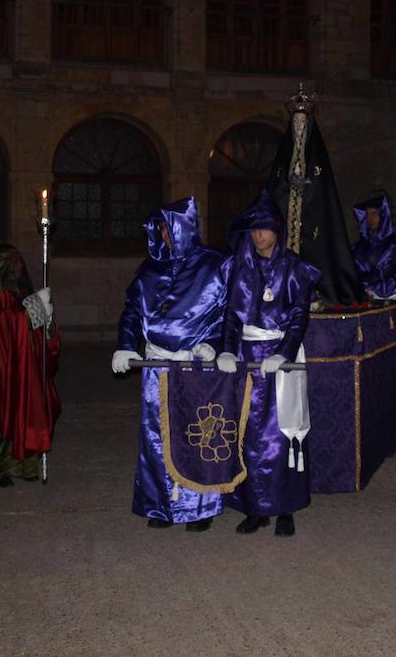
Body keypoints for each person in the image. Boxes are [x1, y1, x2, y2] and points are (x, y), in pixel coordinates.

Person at [112, 197, 229, 532]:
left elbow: (230, 312)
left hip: (195, 367)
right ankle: (161, 505)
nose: (165, 234)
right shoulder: (149, 270)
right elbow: (132, 312)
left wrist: (214, 345)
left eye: (170, 226)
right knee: (157, 434)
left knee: (199, 433)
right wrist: (125, 346)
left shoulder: (215, 265)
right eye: (161, 228)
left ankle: (200, 507)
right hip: (157, 366)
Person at [216, 190, 322, 537]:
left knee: (282, 433)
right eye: (253, 229)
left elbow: (299, 317)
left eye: (264, 228)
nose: (258, 235)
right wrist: (226, 350)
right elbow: (231, 316)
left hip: (278, 360)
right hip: (246, 358)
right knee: (246, 433)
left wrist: (283, 353)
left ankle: (285, 508)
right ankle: (255, 507)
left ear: (277, 230)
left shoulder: (294, 268)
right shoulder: (240, 266)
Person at [0, 244, 60, 487]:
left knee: (22, 409)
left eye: (19, 262)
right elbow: (5, 326)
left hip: (21, 363)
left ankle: (18, 465)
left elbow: (29, 327)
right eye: (13, 262)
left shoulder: (21, 292)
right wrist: (32, 310)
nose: (18, 267)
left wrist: (46, 320)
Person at [264, 83, 364, 308]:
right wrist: (288, 184)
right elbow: (274, 188)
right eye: (296, 122)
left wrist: (307, 186)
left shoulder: (317, 154)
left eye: (303, 122)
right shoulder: (284, 155)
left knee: (315, 252)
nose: (299, 127)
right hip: (288, 221)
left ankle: (314, 293)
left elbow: (323, 190)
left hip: (312, 220)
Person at [350, 194, 396, 301]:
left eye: (374, 213)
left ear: (383, 215)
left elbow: (392, 269)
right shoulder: (358, 248)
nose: (370, 218)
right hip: (365, 299)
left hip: (391, 296)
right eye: (367, 214)